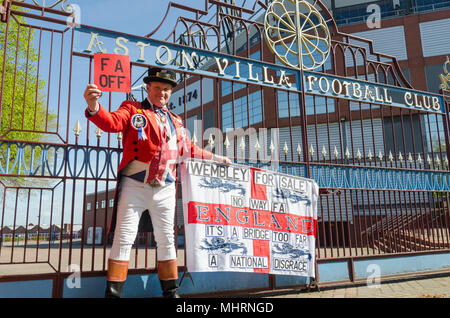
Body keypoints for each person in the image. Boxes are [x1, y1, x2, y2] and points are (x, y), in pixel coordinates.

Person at [83, 67, 231, 298]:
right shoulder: (132, 109)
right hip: (135, 185)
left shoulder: (176, 120)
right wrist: (94, 107)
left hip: (165, 187)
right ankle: (113, 294)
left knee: (166, 239)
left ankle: (171, 293)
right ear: (148, 88)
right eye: (158, 88)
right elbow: (111, 123)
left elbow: (188, 149)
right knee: (124, 238)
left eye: (167, 90)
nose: (162, 93)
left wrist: (217, 158)